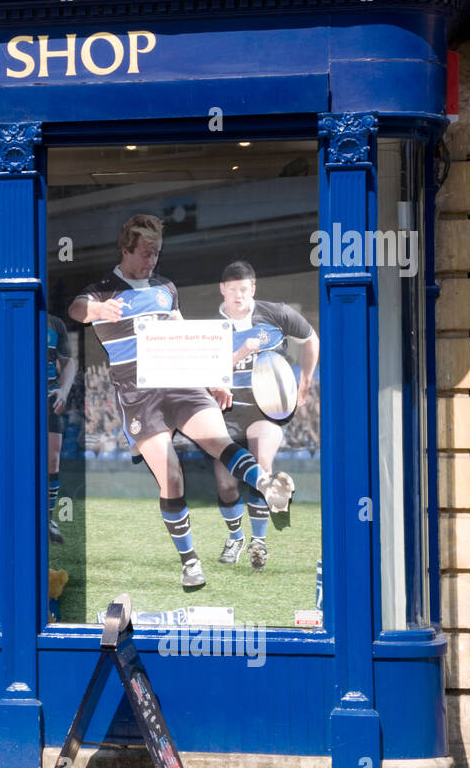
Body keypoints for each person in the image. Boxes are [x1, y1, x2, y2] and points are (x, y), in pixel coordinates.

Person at [68, 214, 294, 589]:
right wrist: (94, 311)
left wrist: (212, 379)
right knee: (171, 476)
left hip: (181, 383)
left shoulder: (165, 288)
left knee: (220, 443)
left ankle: (267, 486)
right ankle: (190, 562)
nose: (151, 261)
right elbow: (76, 309)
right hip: (138, 395)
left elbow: (183, 336)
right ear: (126, 250)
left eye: (156, 253)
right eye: (145, 253)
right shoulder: (103, 291)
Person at [212, 260, 320, 571]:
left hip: (266, 407)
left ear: (253, 289)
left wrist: (306, 380)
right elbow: (209, 375)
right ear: (223, 290)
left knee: (263, 466)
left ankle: (259, 542)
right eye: (232, 290)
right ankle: (235, 537)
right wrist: (241, 352)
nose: (238, 296)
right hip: (227, 410)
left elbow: (310, 339)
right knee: (226, 483)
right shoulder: (212, 330)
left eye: (244, 289)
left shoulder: (276, 313)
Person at [46, 313, 77, 543]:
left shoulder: (54, 323)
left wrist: (64, 391)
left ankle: (47, 519)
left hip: (48, 397)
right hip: (14, 399)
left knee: (52, 459)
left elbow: (69, 362)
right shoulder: (3, 315)